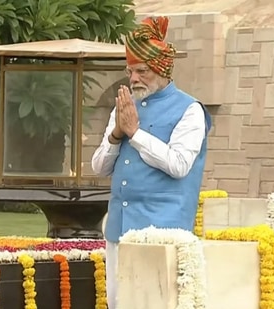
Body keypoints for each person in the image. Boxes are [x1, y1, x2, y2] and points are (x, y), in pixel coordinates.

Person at [91, 15, 212, 309]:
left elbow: (180, 164)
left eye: (141, 71)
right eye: (130, 71)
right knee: (118, 303)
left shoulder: (190, 110)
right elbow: (98, 168)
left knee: (155, 303)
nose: (133, 79)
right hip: (119, 228)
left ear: (161, 69)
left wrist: (135, 134)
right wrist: (117, 134)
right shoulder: (124, 107)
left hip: (163, 230)